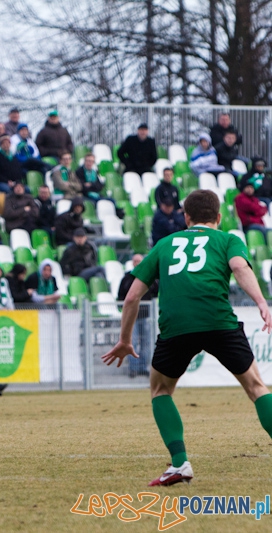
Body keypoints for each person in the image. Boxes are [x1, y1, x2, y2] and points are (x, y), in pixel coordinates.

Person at [102, 189, 272, 487]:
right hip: (218, 320)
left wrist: (125, 340)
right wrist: (261, 302)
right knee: (257, 387)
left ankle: (180, 463)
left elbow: (131, 298)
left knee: (160, 390)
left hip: (176, 326)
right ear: (219, 217)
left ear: (186, 217)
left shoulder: (165, 244)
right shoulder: (228, 239)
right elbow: (239, 267)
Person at [117, 254, 159, 378]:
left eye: (139, 261)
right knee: (132, 342)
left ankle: (144, 367)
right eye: (135, 261)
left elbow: (155, 292)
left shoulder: (150, 277)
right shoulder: (127, 278)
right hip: (131, 317)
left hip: (146, 316)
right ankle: (133, 368)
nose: (137, 263)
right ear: (132, 262)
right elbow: (121, 295)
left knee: (147, 343)